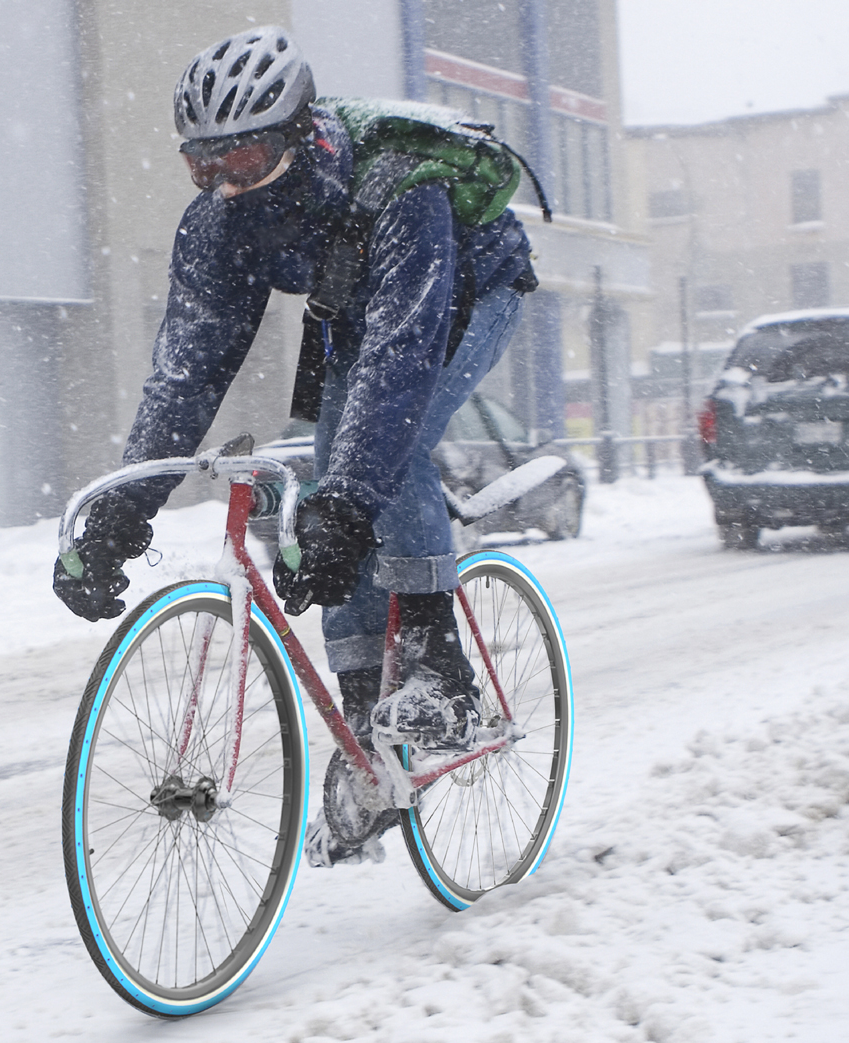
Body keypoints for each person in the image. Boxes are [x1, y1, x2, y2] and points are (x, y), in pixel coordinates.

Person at [50, 26, 538, 864]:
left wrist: (351, 508)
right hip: (360, 303)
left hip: (466, 286)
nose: (226, 186)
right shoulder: (217, 228)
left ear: (300, 136)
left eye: (244, 161)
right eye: (204, 167)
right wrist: (120, 514)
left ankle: (437, 669)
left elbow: (398, 366)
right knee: (325, 482)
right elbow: (184, 379)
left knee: (388, 449)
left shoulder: (398, 190)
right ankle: (366, 738)